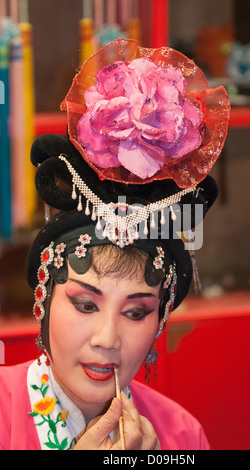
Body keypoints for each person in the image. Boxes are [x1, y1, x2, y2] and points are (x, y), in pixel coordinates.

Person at [0, 39, 230, 450]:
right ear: (43, 298)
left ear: (160, 320)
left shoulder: (181, 435)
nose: (107, 339)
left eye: (137, 311)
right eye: (86, 304)